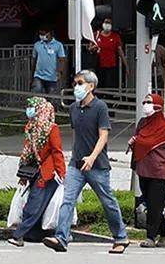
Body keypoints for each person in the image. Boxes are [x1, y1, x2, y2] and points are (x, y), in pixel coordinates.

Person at [43, 70, 130, 254]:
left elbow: (103, 135)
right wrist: (75, 155)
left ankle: (121, 237)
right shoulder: (74, 108)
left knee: (107, 201)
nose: (76, 87)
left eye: (80, 83)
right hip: (76, 164)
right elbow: (77, 134)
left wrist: (92, 157)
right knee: (67, 200)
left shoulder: (100, 107)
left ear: (91, 86)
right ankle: (61, 237)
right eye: (75, 83)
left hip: (97, 166)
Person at [7, 96, 65, 247]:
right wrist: (23, 174)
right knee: (35, 203)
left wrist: (61, 173)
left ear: (41, 109)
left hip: (49, 173)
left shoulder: (51, 128)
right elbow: (27, 153)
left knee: (35, 204)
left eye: (33, 107)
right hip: (35, 171)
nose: (29, 110)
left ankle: (18, 235)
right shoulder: (31, 127)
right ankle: (35, 234)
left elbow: (57, 152)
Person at [129, 93, 165, 247]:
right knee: (151, 204)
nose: (146, 104)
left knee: (154, 205)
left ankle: (150, 237)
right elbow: (138, 140)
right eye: (144, 101)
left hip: (160, 171)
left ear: (158, 106)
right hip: (143, 169)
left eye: (149, 102)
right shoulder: (142, 123)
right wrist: (134, 142)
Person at [91, 20, 127, 90]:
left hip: (111, 65)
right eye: (106, 23)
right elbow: (90, 47)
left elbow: (120, 51)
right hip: (99, 64)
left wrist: (126, 65)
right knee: (99, 83)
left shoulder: (115, 36)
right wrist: (93, 48)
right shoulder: (96, 34)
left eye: (109, 23)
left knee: (110, 84)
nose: (107, 25)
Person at [31, 27, 66, 95]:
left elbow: (62, 60)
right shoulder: (37, 45)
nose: (41, 36)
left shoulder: (58, 45)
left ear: (50, 33)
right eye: (40, 34)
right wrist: (32, 75)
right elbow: (34, 60)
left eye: (43, 34)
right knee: (37, 93)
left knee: (51, 97)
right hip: (38, 75)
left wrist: (60, 72)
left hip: (52, 77)